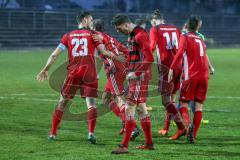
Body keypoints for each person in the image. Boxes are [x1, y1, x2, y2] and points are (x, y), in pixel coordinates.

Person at [36, 11, 122, 144]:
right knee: (91, 104)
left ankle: (53, 133)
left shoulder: (68, 36)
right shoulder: (93, 34)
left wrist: (45, 69)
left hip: (73, 73)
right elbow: (104, 52)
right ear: (86, 19)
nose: (92, 22)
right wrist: (120, 58)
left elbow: (54, 55)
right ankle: (90, 133)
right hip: (90, 74)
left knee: (62, 102)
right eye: (91, 19)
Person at [111, 14, 154, 154]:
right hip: (135, 76)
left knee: (129, 106)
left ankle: (124, 146)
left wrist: (136, 73)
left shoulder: (140, 35)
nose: (118, 31)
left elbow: (150, 58)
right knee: (141, 109)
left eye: (119, 28)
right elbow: (133, 56)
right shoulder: (132, 36)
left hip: (139, 77)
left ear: (126, 24)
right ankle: (149, 143)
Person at [92, 19, 141, 140]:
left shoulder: (96, 36)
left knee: (120, 99)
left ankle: (133, 127)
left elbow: (100, 52)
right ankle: (125, 122)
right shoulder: (109, 37)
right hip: (120, 66)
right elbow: (124, 48)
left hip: (114, 69)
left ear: (94, 28)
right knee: (106, 98)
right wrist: (128, 62)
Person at [168, 15, 209, 143]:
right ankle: (193, 136)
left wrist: (171, 69)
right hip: (204, 76)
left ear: (186, 25)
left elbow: (179, 53)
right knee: (199, 106)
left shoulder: (185, 36)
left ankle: (187, 124)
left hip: (191, 75)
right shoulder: (201, 39)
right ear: (198, 26)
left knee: (183, 104)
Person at [149, 9, 186, 139]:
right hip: (178, 67)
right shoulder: (175, 28)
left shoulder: (155, 29)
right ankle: (166, 128)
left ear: (153, 21)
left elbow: (152, 46)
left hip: (166, 69)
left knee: (166, 101)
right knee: (171, 100)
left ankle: (182, 128)